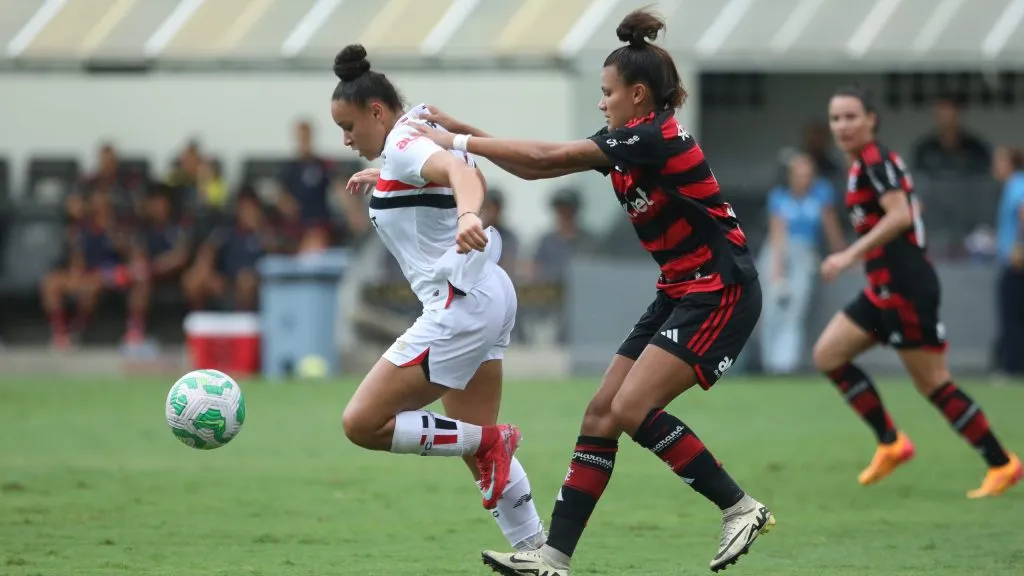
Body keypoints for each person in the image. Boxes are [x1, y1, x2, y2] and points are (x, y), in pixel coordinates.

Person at [409, 9, 774, 574]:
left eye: (607, 93)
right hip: (680, 290)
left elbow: (548, 158)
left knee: (632, 408)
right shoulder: (628, 141)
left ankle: (739, 507)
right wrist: (462, 133)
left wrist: (454, 137)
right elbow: (538, 167)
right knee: (602, 414)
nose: (601, 102)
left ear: (637, 94)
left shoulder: (652, 139)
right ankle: (554, 558)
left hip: (719, 289)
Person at [330, 44, 546, 554]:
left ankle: (492, 444)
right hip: (489, 291)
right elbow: (475, 164)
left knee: (362, 424)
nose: (345, 140)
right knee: (473, 441)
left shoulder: (405, 143)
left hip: (460, 305)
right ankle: (539, 554)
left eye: (349, 127)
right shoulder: (418, 126)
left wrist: (470, 214)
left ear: (375, 111)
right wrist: (384, 176)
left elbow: (464, 176)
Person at [812, 86, 1021, 497]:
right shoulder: (863, 165)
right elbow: (909, 207)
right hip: (882, 289)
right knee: (828, 355)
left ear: (872, 119)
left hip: (906, 288)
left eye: (851, 116)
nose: (842, 126)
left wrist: (847, 255)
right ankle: (891, 442)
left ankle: (1003, 463)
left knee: (934, 384)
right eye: (836, 118)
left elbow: (901, 216)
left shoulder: (875, 161)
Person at [759, 153, 845, 374]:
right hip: (777, 252)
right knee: (770, 308)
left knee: (796, 308)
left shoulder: (821, 193)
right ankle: (768, 362)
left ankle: (784, 365)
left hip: (804, 254)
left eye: (807, 175)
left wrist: (843, 255)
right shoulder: (779, 196)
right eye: (798, 174)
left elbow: (830, 226)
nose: (803, 179)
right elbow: (777, 236)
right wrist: (777, 273)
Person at [992, 146, 1024, 375]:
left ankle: (1013, 367)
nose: (995, 166)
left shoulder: (1017, 185)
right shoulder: (1012, 186)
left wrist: (1019, 248)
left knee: (1012, 316)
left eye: (999, 161)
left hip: (1016, 264)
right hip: (1010, 261)